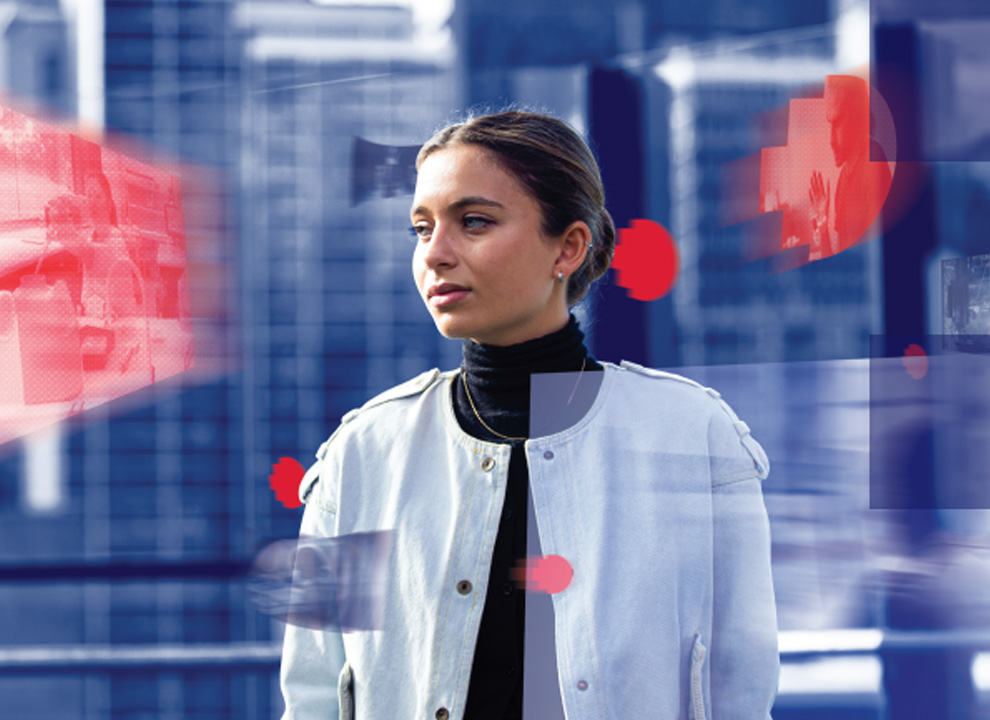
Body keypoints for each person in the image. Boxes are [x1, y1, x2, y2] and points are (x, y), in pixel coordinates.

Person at [280, 111, 778, 719]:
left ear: (569, 246)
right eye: (420, 228)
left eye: (474, 222)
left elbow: (742, 690)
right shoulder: (364, 450)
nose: (435, 254)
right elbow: (311, 695)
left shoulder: (692, 436)